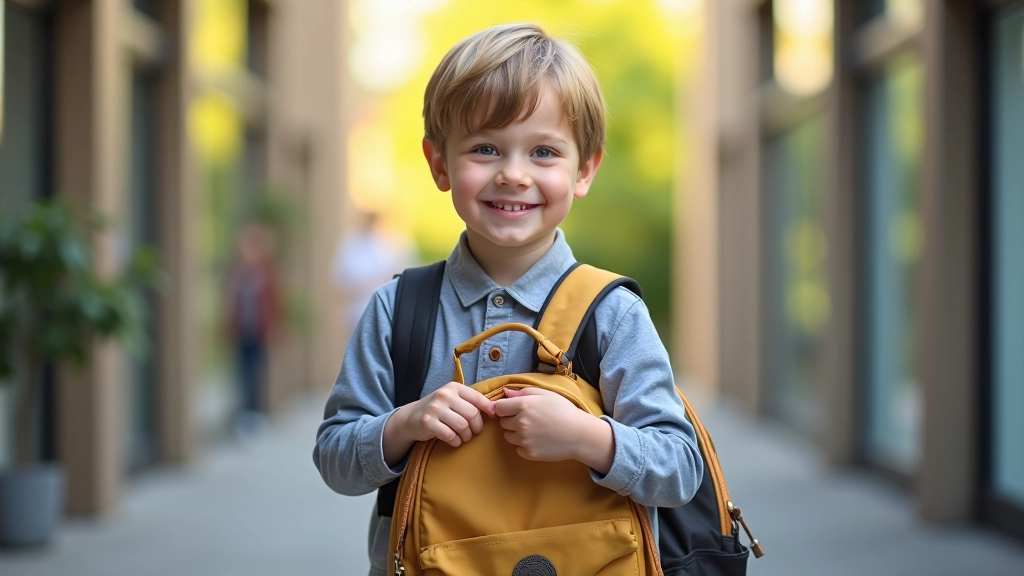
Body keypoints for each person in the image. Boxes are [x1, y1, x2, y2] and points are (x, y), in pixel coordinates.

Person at [312, 23, 703, 575]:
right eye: (486, 149)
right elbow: (335, 459)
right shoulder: (398, 310)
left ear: (584, 169)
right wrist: (407, 423)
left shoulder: (611, 314)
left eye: (544, 151)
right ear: (440, 163)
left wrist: (585, 436)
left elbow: (682, 469)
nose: (513, 174)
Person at [223, 222, 281, 436]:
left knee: (255, 373)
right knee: (242, 372)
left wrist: (274, 327)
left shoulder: (266, 273)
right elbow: (229, 301)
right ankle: (243, 414)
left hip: (258, 332)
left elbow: (275, 303)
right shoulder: (237, 272)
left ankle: (254, 415)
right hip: (241, 331)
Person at [330, 210, 415, 340]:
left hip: (391, 323)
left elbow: (409, 285)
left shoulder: (399, 243)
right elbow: (338, 285)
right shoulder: (350, 243)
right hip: (356, 322)